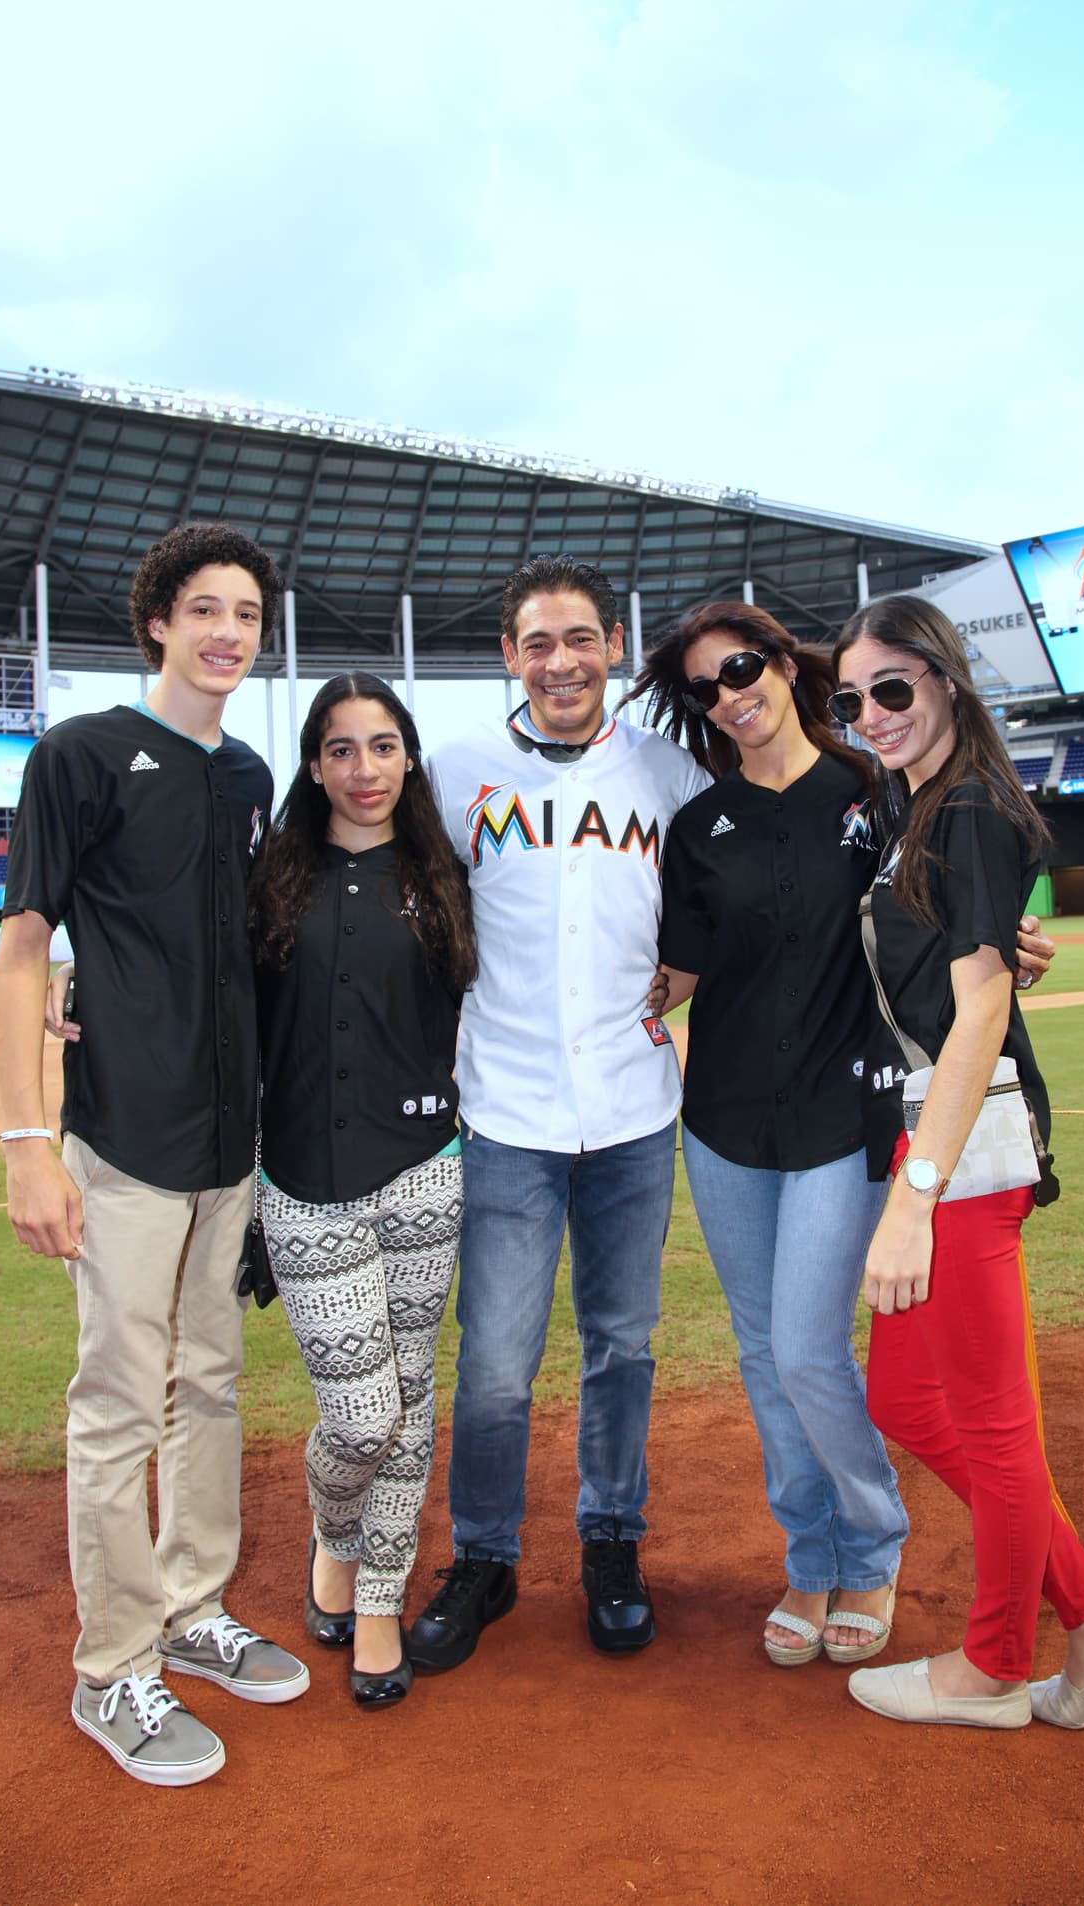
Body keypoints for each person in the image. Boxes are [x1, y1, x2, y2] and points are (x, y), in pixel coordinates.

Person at [0, 521, 309, 1788]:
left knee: (214, 1382)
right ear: (158, 622)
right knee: (119, 1401)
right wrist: (27, 1141)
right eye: (207, 610)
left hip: (227, 1143)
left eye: (247, 614)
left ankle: (191, 1609)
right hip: (121, 1137)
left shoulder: (248, 782)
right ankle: (112, 1665)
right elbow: (24, 950)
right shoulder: (78, 754)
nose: (230, 632)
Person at [829, 593, 1084, 1729]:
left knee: (987, 1422)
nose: (871, 712)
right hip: (932, 1128)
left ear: (943, 680)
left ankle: (987, 1667)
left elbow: (975, 1014)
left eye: (891, 688)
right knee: (902, 1396)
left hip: (959, 1143)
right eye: (852, 697)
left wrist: (912, 1198)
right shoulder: (920, 804)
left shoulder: (966, 805)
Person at [407, 555, 709, 1671]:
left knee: (620, 1344)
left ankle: (611, 1539)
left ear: (613, 646)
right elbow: (385, 904)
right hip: (504, 1109)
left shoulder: (669, 775)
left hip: (632, 1108)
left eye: (578, 638)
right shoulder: (454, 772)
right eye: (536, 642)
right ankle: (483, 1558)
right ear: (508, 656)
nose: (560, 660)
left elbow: (737, 908)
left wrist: (682, 975)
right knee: (493, 1360)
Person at [631, 602, 910, 1666]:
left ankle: (872, 1548)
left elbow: (936, 908)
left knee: (806, 1345)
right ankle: (808, 1556)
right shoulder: (701, 826)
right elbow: (678, 973)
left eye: (740, 667)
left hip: (841, 1111)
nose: (728, 693)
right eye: (704, 686)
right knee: (761, 1354)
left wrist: (1004, 940)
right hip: (725, 1122)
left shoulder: (872, 791)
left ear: (785, 663)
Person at [248, 673, 476, 1709]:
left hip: (423, 1173)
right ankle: (334, 1530)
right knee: (359, 1418)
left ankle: (374, 1597)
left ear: (408, 756)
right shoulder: (270, 880)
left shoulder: (443, 874)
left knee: (411, 1397)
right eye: (341, 749)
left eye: (383, 746)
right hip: (303, 1181)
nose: (364, 768)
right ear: (313, 764)